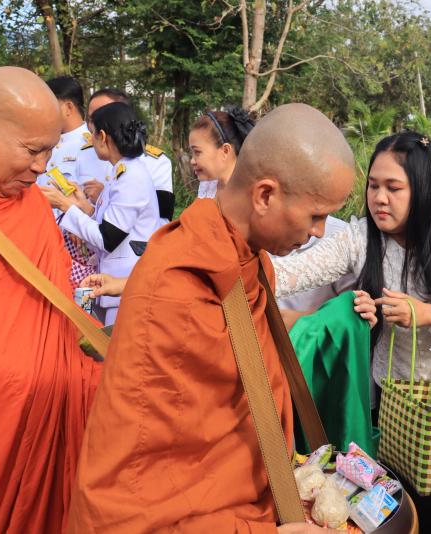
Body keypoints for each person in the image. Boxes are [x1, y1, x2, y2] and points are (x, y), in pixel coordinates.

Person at [68, 103, 375, 533]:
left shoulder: (248, 260)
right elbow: (143, 483)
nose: (320, 232)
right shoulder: (176, 284)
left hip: (253, 492)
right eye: (316, 215)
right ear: (264, 195)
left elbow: (247, 353)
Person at [0, 66, 100, 533]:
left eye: (50, 151)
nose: (42, 167)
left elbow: (56, 327)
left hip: (44, 422)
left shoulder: (34, 208)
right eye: (31, 150)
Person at [273, 131, 431, 400]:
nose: (379, 198)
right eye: (373, 186)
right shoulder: (361, 237)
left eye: (393, 188)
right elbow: (291, 273)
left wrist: (429, 314)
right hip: (392, 400)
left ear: (423, 189)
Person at [42, 102, 161, 326]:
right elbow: (107, 226)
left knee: (111, 342)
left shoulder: (131, 177)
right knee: (86, 329)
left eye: (93, 135)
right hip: (106, 282)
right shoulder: (121, 173)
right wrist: (80, 205)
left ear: (103, 137)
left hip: (123, 288)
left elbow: (108, 239)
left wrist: (65, 206)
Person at [37, 75, 99, 287]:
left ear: (68, 107)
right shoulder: (47, 141)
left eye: (51, 105)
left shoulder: (90, 145)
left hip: (74, 238)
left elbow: (94, 196)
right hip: (43, 232)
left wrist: (78, 226)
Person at [82, 88, 175, 224]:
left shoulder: (156, 162)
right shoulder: (83, 155)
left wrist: (104, 198)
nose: (94, 124)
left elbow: (159, 219)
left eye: (105, 114)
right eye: (91, 119)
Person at [189, 106, 254, 198]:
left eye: (197, 152)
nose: (192, 161)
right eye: (192, 153)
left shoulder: (251, 195)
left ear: (225, 151)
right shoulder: (207, 187)